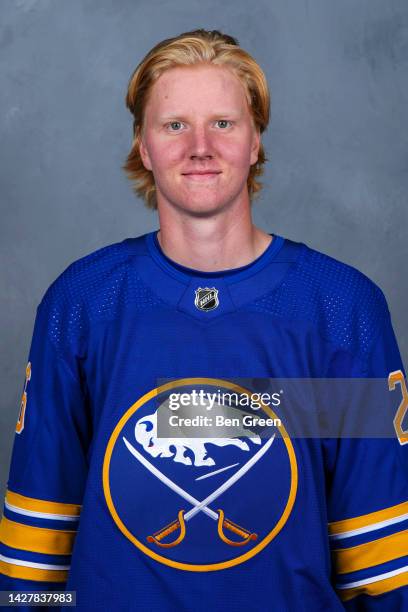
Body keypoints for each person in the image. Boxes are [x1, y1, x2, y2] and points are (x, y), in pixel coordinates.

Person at [0, 28, 407, 611]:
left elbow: (382, 558)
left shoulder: (340, 308)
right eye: (174, 125)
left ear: (255, 140)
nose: (200, 147)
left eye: (223, 123)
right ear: (143, 146)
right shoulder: (82, 301)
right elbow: (34, 553)